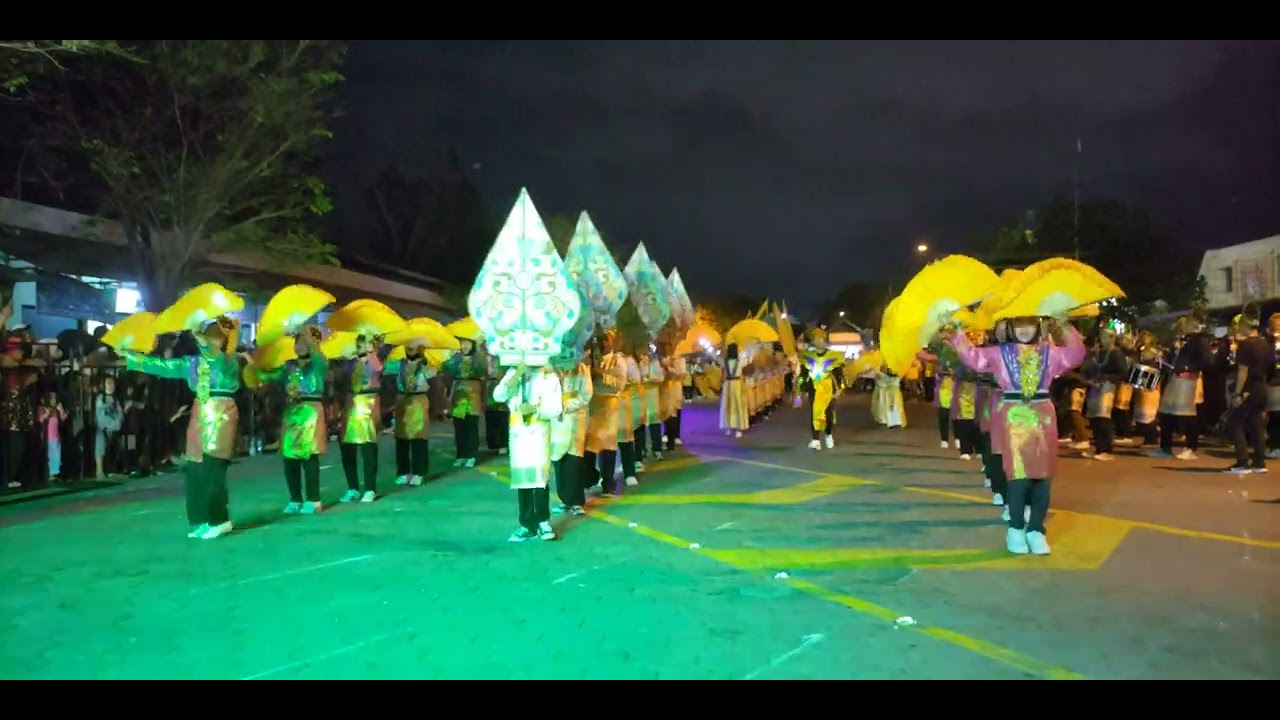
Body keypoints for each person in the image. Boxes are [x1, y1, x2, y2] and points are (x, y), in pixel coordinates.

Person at [949, 316, 1086, 556]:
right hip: (1014, 417)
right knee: (1018, 476)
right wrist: (958, 330)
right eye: (1019, 325)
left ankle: (1036, 530)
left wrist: (1064, 324)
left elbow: (1076, 355)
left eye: (1029, 325)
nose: (1024, 330)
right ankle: (1015, 528)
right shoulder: (999, 353)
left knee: (1043, 478)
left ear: (1038, 327)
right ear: (1011, 328)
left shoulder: (1050, 352)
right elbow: (973, 357)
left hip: (1044, 417)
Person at [125, 318, 242, 540]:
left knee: (212, 466)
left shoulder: (229, 361)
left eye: (216, 336)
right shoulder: (194, 363)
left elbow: (216, 361)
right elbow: (166, 366)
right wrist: (131, 357)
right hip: (200, 413)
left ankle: (220, 519)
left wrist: (204, 342)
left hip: (221, 414)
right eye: (208, 335)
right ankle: (201, 519)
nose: (211, 340)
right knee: (195, 467)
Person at [251, 326, 327, 513]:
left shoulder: (319, 364)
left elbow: (318, 354)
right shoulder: (289, 367)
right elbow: (269, 376)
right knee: (289, 457)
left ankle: (314, 499)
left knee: (309, 456)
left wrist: (307, 333)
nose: (300, 346)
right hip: (291, 412)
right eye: (297, 342)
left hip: (310, 412)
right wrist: (253, 363)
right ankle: (295, 499)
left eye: (304, 343)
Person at [493, 362, 563, 542]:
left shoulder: (549, 377)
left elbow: (555, 408)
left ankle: (543, 521)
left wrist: (535, 409)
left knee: (540, 478)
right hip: (518, 434)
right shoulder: (514, 373)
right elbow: (498, 395)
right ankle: (526, 524)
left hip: (539, 433)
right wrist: (517, 374)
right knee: (522, 479)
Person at [1148, 317, 1211, 461]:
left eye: (1185, 324)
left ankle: (1190, 448)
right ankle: (1165, 447)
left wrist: (1189, 367)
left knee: (1187, 415)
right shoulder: (1182, 341)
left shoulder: (1199, 341)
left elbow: (1208, 361)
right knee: (1166, 414)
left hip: (1187, 380)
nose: (1181, 327)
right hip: (1175, 378)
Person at [582, 333, 629, 496]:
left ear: (613, 343)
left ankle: (608, 482)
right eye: (600, 340)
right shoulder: (589, 358)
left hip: (609, 404)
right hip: (591, 404)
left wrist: (601, 375)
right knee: (589, 443)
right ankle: (589, 477)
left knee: (607, 443)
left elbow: (620, 384)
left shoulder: (617, 360)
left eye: (606, 340)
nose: (602, 343)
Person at [338, 334, 382, 503]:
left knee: (368, 447)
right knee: (347, 447)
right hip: (351, 404)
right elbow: (340, 378)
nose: (360, 347)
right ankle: (353, 487)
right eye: (358, 344)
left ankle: (370, 488)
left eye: (363, 343)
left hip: (367, 403)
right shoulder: (351, 362)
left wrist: (371, 352)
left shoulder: (373, 361)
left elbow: (378, 369)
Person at [1224, 316, 1269, 474]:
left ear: (1245, 327)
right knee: (1257, 425)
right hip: (1262, 386)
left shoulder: (1246, 345)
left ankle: (1242, 462)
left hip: (1249, 388)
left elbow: (1243, 371)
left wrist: (1238, 393)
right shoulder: (1264, 343)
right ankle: (1259, 462)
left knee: (1236, 422)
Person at [551, 350, 593, 516]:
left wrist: (566, 405)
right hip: (557, 419)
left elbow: (586, 396)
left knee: (574, 459)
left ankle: (576, 501)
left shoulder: (581, 368)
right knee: (558, 460)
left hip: (576, 418)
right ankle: (564, 500)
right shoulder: (551, 368)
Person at [1080, 326, 1129, 461]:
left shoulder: (1116, 353)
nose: (1102, 339)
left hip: (1107, 387)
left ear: (1112, 338)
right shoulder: (1099, 352)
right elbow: (1088, 369)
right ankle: (1098, 447)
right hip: (1094, 386)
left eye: (1105, 336)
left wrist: (1106, 378)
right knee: (1094, 417)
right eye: (1101, 336)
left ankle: (1106, 449)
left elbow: (1123, 373)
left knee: (1103, 417)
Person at [393, 340, 436, 487]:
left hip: (418, 402)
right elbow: (383, 370)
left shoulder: (425, 364)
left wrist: (424, 361)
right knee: (401, 439)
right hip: (402, 402)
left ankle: (419, 472)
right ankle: (403, 472)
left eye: (413, 346)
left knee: (419, 437)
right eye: (408, 346)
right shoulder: (400, 363)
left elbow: (433, 375)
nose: (410, 349)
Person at [797, 329, 845, 449]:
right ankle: (816, 439)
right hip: (814, 388)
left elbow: (839, 374)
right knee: (815, 412)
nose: (819, 341)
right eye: (816, 339)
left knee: (828, 413)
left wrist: (839, 389)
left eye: (821, 339)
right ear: (813, 341)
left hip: (828, 388)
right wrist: (801, 389)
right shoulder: (807, 356)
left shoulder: (834, 356)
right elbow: (803, 374)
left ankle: (828, 435)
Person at [444, 338, 486, 468]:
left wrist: (478, 355)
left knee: (471, 426)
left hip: (473, 394)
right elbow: (446, 370)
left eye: (467, 344)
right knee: (459, 426)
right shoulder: (455, 358)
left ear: (472, 345)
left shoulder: (478, 358)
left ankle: (471, 455)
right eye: (463, 344)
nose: (465, 346)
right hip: (458, 394)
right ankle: (461, 455)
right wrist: (450, 359)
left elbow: (483, 371)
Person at [93, 375, 122, 478]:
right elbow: (100, 414)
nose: (110, 385)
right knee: (100, 442)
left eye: (112, 382)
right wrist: (108, 426)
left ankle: (112, 470)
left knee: (114, 446)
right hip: (103, 427)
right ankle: (99, 470)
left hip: (114, 427)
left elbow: (120, 414)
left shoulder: (116, 398)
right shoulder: (101, 398)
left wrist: (115, 425)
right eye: (108, 382)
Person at [720, 343, 749, 438]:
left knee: (728, 405)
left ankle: (728, 427)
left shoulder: (725, 361)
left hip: (728, 384)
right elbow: (747, 363)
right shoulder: (740, 361)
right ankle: (738, 429)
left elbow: (723, 373)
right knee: (738, 405)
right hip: (737, 384)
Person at [37, 391, 66, 482]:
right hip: (48, 437)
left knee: (56, 455)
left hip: (56, 437)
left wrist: (61, 410)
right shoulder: (42, 408)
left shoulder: (56, 410)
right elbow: (40, 419)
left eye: (55, 398)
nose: (54, 400)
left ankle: (54, 473)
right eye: (52, 398)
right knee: (49, 455)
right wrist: (47, 413)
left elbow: (63, 418)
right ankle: (48, 474)